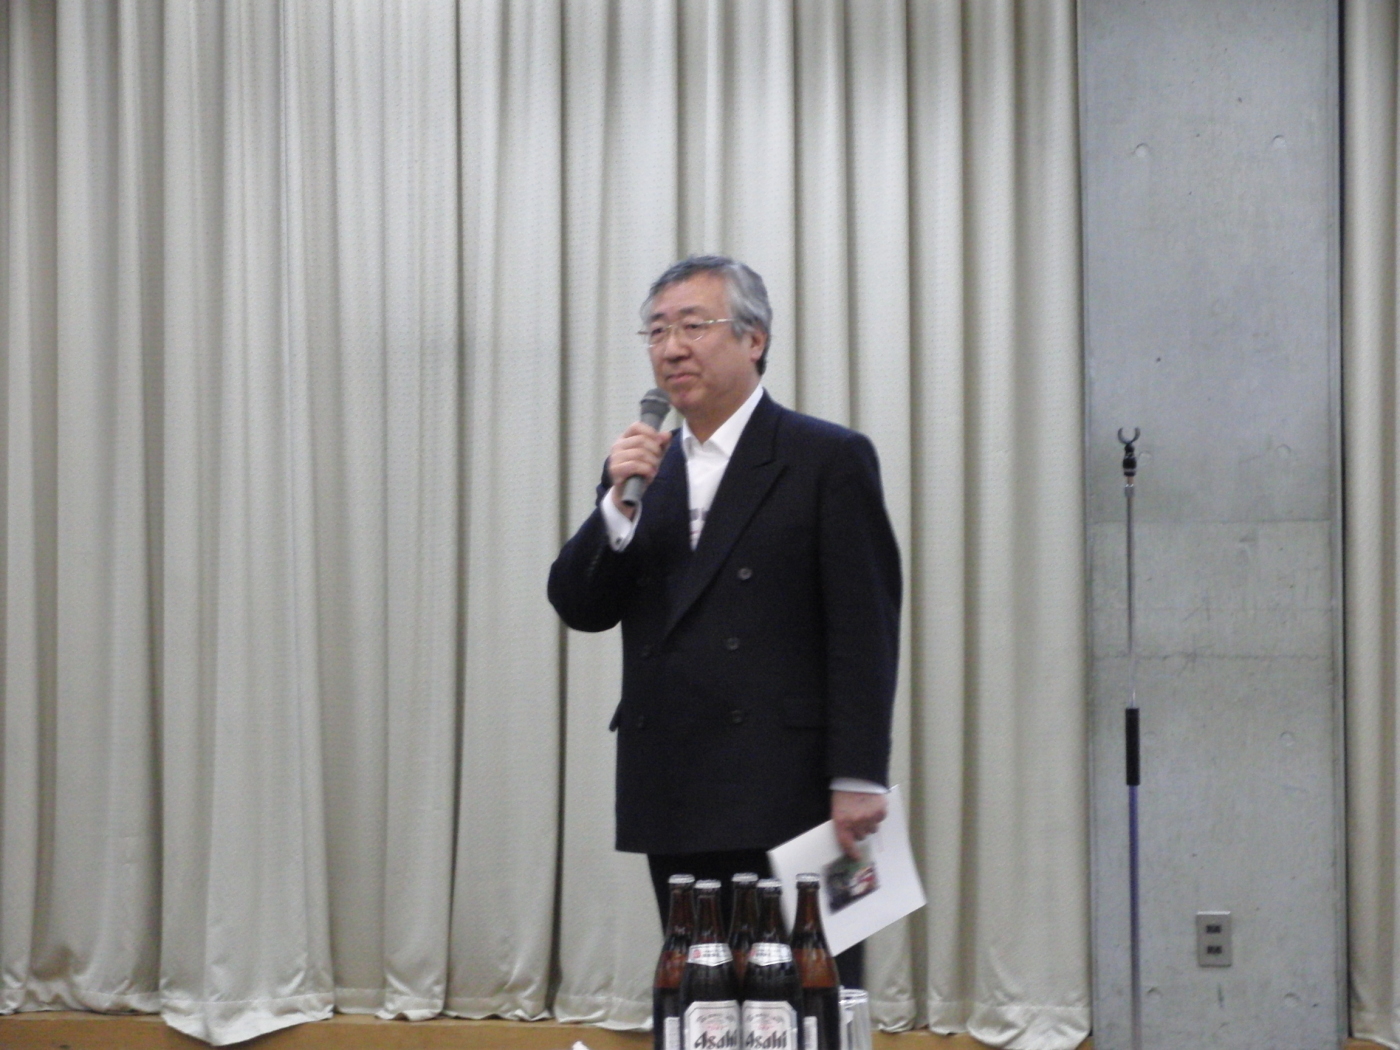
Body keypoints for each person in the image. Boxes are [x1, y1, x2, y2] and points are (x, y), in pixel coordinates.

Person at [547, 256, 900, 987]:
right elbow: (580, 605)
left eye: (693, 326)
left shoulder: (825, 456)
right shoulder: (644, 471)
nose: (672, 348)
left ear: (754, 339)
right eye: (656, 332)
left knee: (811, 996)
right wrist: (613, 505)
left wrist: (860, 774)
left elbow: (865, 628)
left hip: (796, 787)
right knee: (702, 996)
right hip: (675, 777)